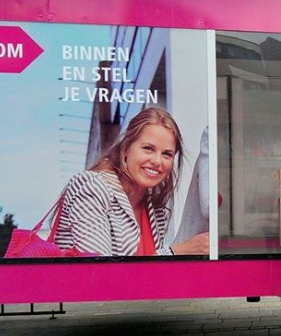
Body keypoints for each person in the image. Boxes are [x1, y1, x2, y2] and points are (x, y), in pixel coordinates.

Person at [53, 107, 209, 257]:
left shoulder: (155, 209)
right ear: (126, 148)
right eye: (148, 148)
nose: (156, 161)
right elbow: (100, 270)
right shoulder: (90, 186)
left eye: (167, 154)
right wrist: (176, 252)